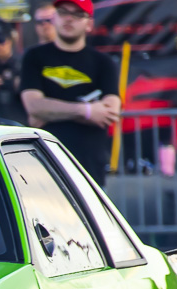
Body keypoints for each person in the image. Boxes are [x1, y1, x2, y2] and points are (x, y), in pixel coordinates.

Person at [20, 0, 119, 185]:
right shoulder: (34, 57)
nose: (68, 19)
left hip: (88, 169)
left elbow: (110, 111)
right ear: (55, 17)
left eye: (77, 14)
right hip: (43, 165)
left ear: (89, 24)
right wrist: (87, 111)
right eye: (63, 12)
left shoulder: (103, 62)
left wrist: (51, 112)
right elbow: (34, 106)